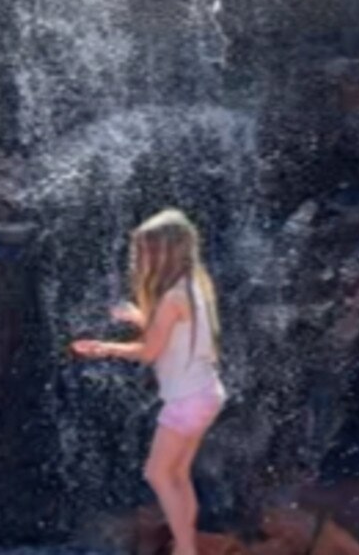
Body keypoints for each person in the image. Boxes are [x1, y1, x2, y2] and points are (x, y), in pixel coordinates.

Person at [71, 208, 225, 555]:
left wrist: (104, 347)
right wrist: (140, 317)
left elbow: (151, 352)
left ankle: (185, 549)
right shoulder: (193, 286)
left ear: (166, 252)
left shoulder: (172, 297)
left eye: (146, 251)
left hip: (185, 401)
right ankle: (186, 548)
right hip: (207, 393)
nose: (140, 259)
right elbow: (176, 335)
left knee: (157, 474)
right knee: (179, 475)